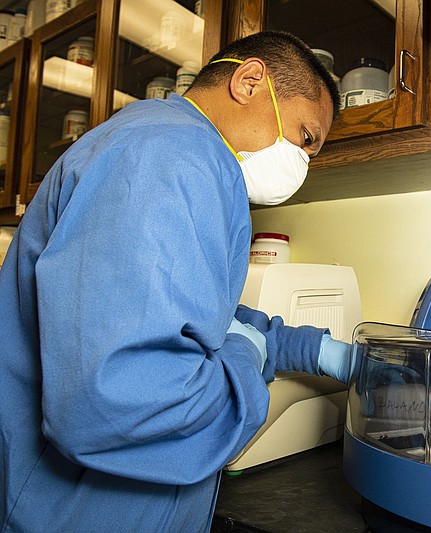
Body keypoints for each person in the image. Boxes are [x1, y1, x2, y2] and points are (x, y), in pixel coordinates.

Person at [0, 31, 355, 532]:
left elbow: (199, 320)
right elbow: (118, 402)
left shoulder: (169, 149)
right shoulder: (166, 156)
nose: (304, 162)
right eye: (305, 137)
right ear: (251, 81)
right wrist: (244, 359)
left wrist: (314, 350)